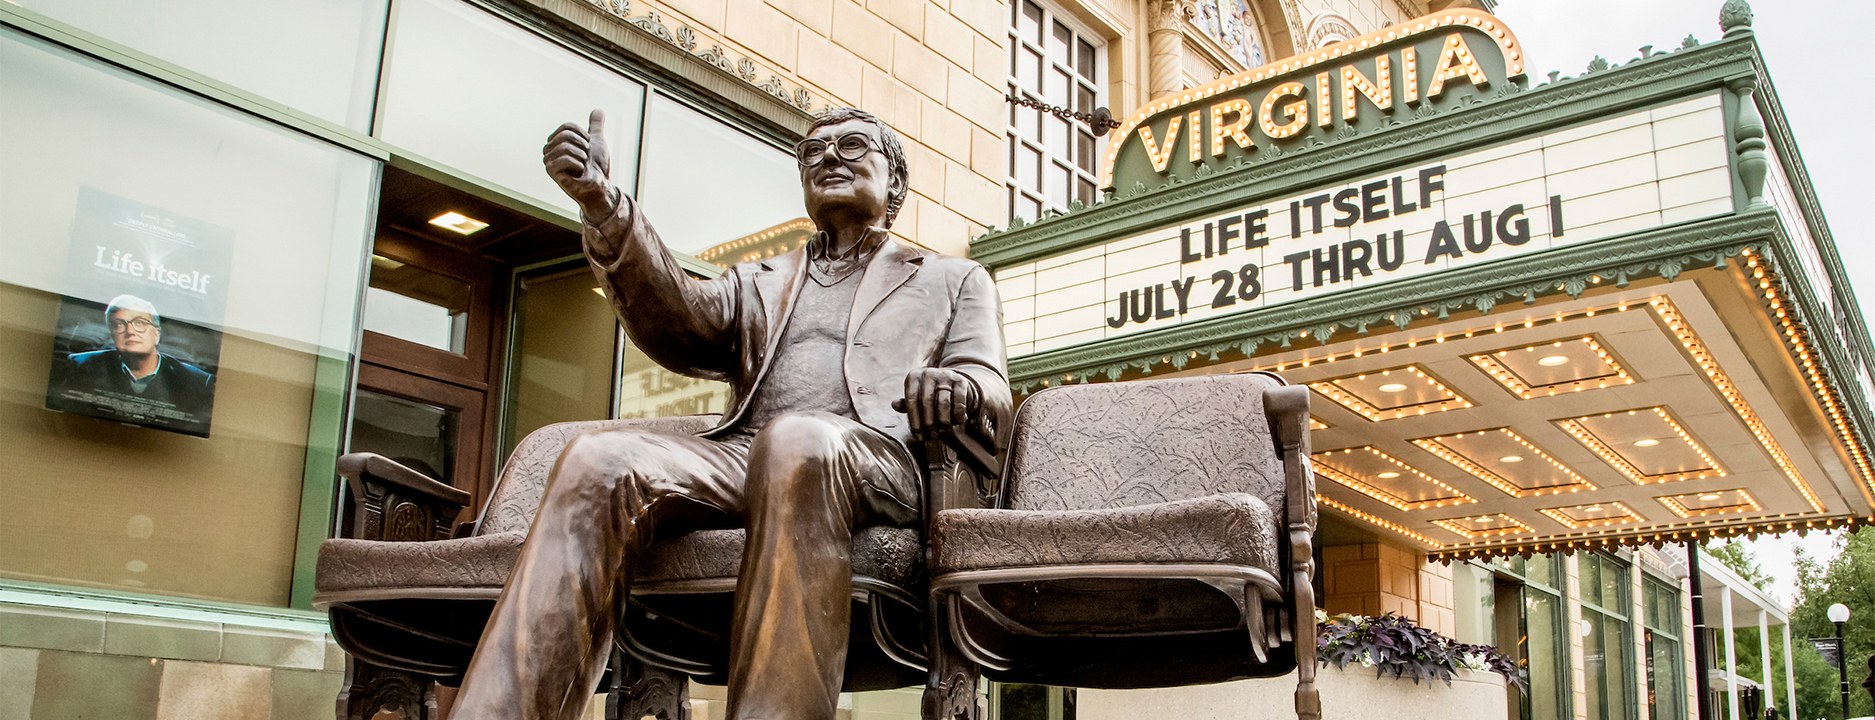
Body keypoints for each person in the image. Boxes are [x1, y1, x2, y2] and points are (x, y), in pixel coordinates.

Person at [450, 107, 1012, 720]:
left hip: (878, 460)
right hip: (745, 456)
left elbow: (990, 384)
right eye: (813, 152)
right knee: (599, 459)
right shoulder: (760, 280)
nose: (828, 157)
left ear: (895, 184)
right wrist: (607, 209)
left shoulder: (955, 279)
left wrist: (955, 386)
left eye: (851, 146)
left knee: (796, 442)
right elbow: (680, 319)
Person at [59, 294, 214, 418]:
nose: (130, 331)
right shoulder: (80, 365)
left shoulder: (199, 381)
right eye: (120, 324)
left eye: (140, 323)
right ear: (112, 336)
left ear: (156, 334)